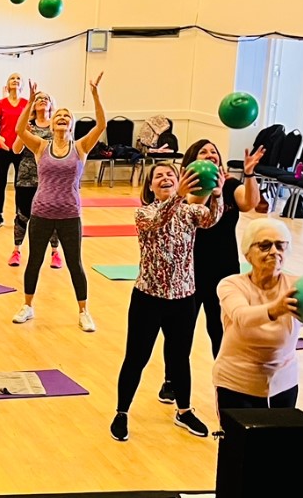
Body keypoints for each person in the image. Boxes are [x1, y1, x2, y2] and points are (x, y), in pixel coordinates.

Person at [109, 164, 221, 442]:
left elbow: (210, 220)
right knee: (136, 358)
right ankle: (121, 413)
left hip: (183, 298)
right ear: (150, 187)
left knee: (179, 358)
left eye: (170, 174)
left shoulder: (190, 211)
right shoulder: (144, 213)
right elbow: (159, 220)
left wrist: (216, 195)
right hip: (147, 298)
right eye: (158, 176)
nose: (166, 178)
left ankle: (184, 411)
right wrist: (179, 196)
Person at [158, 141, 265, 404]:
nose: (210, 156)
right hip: (188, 272)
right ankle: (172, 380)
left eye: (213, 153)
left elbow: (250, 202)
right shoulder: (184, 191)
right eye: (203, 153)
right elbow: (197, 211)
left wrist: (248, 174)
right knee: (180, 330)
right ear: (191, 163)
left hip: (224, 270)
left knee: (222, 330)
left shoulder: (229, 186)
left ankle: (227, 381)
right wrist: (209, 189)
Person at [212, 217, 303, 409]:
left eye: (280, 246)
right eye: (264, 246)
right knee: (238, 439)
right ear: (247, 255)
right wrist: (276, 309)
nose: (274, 252)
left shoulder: (298, 287)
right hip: (237, 382)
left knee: (281, 439)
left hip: (284, 383)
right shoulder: (231, 285)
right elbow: (241, 318)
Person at [10, 74, 106, 331]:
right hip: (41, 212)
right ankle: (27, 306)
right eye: (58, 116)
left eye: (67, 116)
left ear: (72, 125)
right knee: (34, 261)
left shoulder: (81, 147)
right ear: (51, 124)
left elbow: (101, 125)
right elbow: (20, 131)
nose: (62, 118)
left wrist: (95, 94)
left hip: (70, 214)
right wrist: (30, 102)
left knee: (75, 263)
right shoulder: (41, 146)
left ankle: (84, 311)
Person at [9, 91, 62, 270]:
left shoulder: (57, 127)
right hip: (26, 177)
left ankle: (55, 252)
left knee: (53, 215)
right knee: (22, 215)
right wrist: (23, 134)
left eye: (45, 98)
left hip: (50, 179)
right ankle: (16, 250)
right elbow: (16, 150)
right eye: (38, 99)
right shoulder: (27, 125)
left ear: (50, 105)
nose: (42, 101)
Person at [0, 73, 28, 229]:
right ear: (8, 83)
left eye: (19, 79)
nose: (16, 80)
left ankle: (20, 215)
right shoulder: (1, 103)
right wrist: (0, 138)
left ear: (21, 85)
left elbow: (30, 124)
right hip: (3, 148)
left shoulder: (26, 103)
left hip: (20, 149)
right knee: (1, 183)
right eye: (13, 78)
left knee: (20, 184)